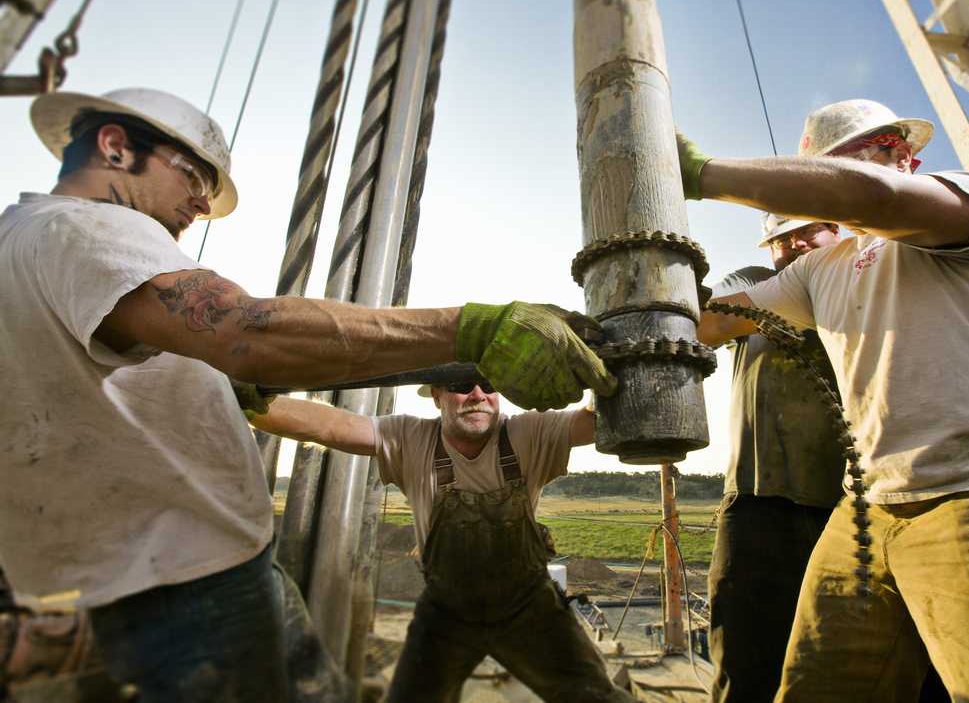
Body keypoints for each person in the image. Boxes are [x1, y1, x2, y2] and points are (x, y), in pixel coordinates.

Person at [0, 87, 616, 701]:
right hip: (191, 583)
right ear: (114, 146)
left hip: (141, 572)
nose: (200, 201)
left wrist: (223, 388)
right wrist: (473, 329)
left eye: (209, 192)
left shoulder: (22, 241)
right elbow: (250, 332)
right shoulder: (85, 231)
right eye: (192, 175)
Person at [680, 99, 969, 701]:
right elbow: (713, 323)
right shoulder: (821, 269)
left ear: (900, 152)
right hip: (866, 512)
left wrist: (704, 174)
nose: (828, 193)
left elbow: (878, 199)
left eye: (864, 159)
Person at [251, 381, 636, 703]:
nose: (476, 394)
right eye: (458, 385)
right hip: (447, 615)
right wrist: (248, 399)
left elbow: (599, 419)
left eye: (488, 384)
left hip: (530, 609)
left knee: (595, 696)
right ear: (436, 395)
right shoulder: (410, 438)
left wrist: (594, 377)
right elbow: (333, 426)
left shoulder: (529, 432)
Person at [699, 214, 845, 702]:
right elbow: (706, 321)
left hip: (858, 505)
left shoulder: (858, 278)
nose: (794, 243)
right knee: (748, 656)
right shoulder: (758, 283)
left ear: (839, 231)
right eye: (781, 238)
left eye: (808, 231)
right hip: (758, 500)